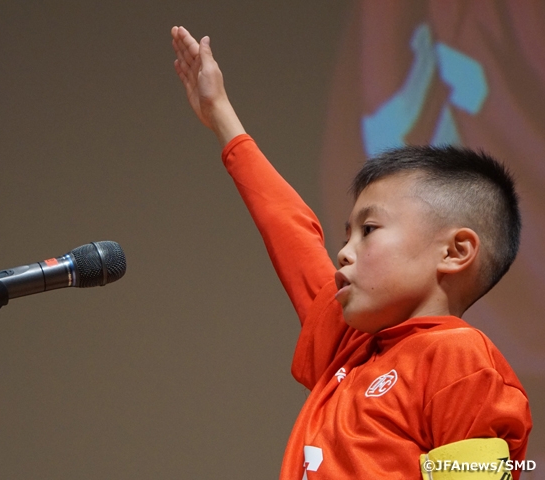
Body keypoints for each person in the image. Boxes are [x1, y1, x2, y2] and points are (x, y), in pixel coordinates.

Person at [171, 26, 532, 479]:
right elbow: (293, 235)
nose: (343, 253)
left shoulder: (460, 359)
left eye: (370, 230)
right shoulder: (349, 347)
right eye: (347, 236)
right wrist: (222, 117)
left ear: (456, 251)